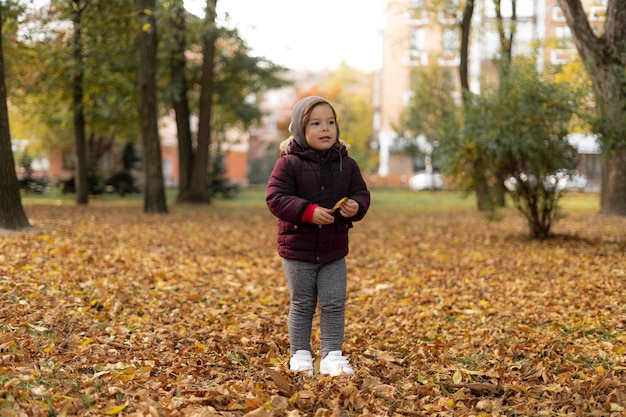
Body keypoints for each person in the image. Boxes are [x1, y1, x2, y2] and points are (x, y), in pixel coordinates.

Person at [266, 96, 370, 376]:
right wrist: (307, 211)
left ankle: (331, 355)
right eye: (315, 123)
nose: (325, 128)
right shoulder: (288, 164)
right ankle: (300, 354)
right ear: (300, 129)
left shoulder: (346, 164)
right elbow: (275, 198)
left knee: (334, 302)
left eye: (330, 122)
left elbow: (361, 193)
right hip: (298, 249)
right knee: (302, 302)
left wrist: (356, 206)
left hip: (334, 250)